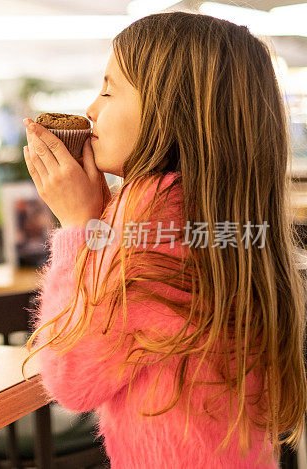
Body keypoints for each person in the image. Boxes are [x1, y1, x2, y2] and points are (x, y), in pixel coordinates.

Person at [22, 12, 306, 468]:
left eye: (109, 90)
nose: (91, 110)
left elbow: (70, 379)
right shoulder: (218, 213)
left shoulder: (150, 223)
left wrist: (78, 226)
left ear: (171, 110)